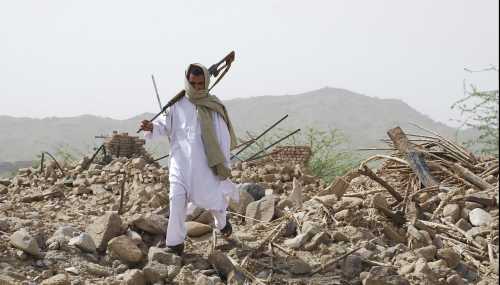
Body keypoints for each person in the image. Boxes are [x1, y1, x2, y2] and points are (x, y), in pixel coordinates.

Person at [140, 63, 239, 256]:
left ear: (207, 82)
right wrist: (151, 127)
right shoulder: (176, 104)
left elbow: (222, 137)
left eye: (201, 83)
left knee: (213, 199)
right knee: (176, 199)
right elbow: (164, 125)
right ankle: (175, 243)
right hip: (180, 163)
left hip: (205, 165)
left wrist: (222, 163)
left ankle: (223, 222)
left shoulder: (212, 105)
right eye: (193, 83)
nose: (197, 87)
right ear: (187, 81)